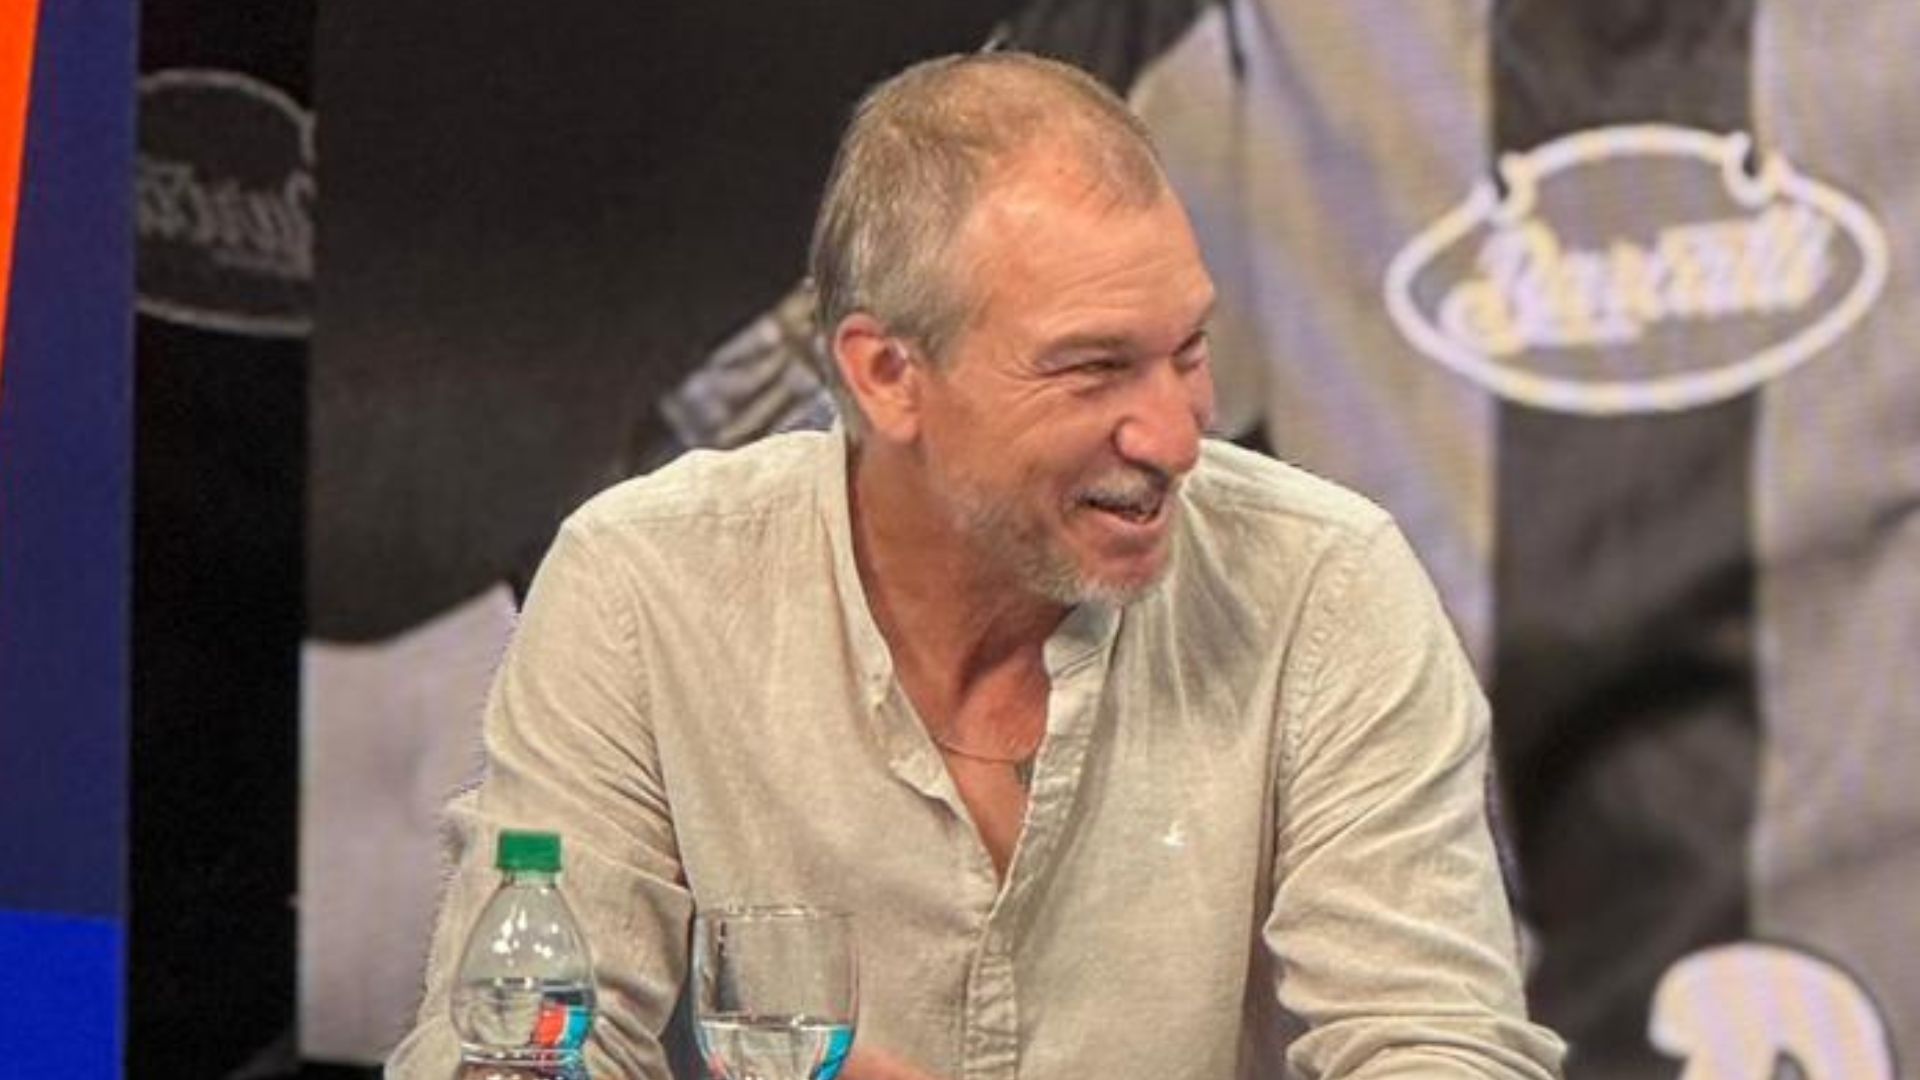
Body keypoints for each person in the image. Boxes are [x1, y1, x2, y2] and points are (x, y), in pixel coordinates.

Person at [388, 52, 1566, 1079]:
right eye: (1093, 369)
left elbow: (1438, 1042)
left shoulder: (1326, 586)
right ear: (887, 375)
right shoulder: (644, 587)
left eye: (1189, 350)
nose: (1175, 436)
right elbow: (511, 1042)